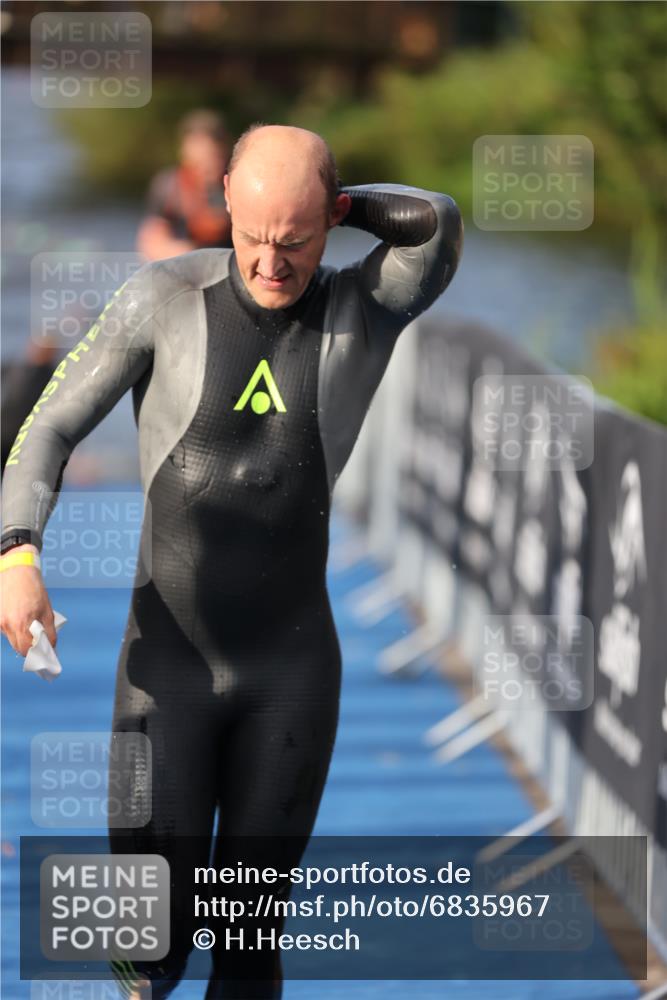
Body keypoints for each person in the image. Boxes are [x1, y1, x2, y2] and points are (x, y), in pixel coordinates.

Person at [0, 124, 463, 998]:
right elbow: (48, 427)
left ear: (333, 219)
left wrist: (338, 201)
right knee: (145, 949)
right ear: (223, 205)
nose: (269, 264)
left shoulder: (364, 309)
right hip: (164, 673)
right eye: (251, 237)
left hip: (289, 677)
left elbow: (436, 222)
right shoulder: (161, 299)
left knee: (249, 945)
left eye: (295, 241)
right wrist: (17, 554)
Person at [137, 109, 233, 260]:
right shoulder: (169, 185)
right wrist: (184, 253)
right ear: (184, 153)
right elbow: (151, 242)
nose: (207, 168)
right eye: (199, 161)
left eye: (213, 157)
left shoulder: (238, 183)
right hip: (187, 262)